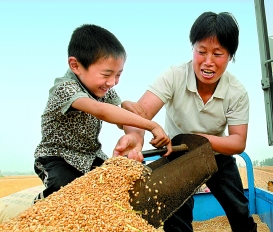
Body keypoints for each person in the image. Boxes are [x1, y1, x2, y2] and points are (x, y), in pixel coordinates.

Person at [114, 12, 258, 232]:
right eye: (201, 52)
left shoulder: (236, 92)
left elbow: (238, 141)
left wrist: (198, 139)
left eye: (218, 54)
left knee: (237, 204)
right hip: (177, 152)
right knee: (176, 206)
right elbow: (141, 113)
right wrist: (135, 138)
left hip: (215, 154)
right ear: (193, 49)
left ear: (230, 56)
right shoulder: (174, 76)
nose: (208, 61)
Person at [33, 24, 171, 201]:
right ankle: (38, 209)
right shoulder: (64, 88)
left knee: (114, 186)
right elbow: (102, 111)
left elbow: (122, 118)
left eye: (118, 75)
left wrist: (134, 138)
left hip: (91, 156)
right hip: (57, 157)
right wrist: (151, 125)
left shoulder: (104, 91)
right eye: (106, 75)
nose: (112, 82)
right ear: (75, 65)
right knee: (64, 188)